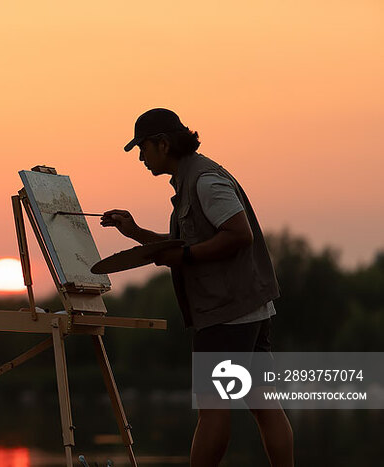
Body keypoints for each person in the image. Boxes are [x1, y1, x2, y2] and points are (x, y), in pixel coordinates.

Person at [101, 109, 294, 467]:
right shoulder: (194, 179)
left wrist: (185, 255)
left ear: (164, 143)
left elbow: (239, 236)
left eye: (143, 148)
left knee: (213, 410)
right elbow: (188, 242)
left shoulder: (206, 182)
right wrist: (136, 232)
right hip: (248, 309)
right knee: (265, 407)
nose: (141, 157)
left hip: (227, 314)